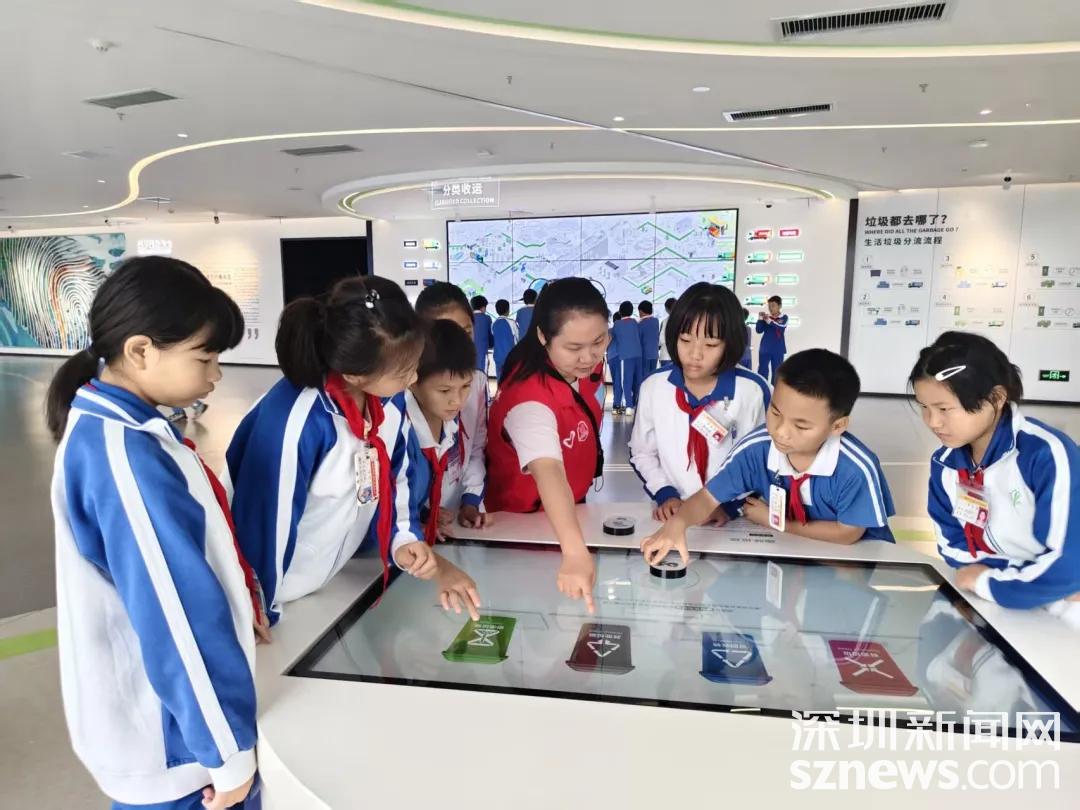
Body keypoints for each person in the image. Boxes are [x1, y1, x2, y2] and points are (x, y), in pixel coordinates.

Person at [46, 257, 261, 810]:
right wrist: (228, 755)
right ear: (141, 351)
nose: (216, 375)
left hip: (178, 730)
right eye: (205, 358)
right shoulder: (124, 457)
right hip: (178, 747)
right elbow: (174, 613)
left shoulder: (128, 432)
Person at [226, 277, 476, 625]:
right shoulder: (299, 419)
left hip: (324, 588)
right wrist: (256, 607)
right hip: (270, 599)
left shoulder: (389, 404)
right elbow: (264, 524)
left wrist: (404, 539)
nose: (412, 379)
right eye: (403, 372)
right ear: (356, 375)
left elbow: (398, 478)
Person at [641, 349, 895, 566]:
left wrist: (777, 522)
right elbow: (707, 498)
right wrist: (678, 523)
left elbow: (848, 534)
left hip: (853, 562)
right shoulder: (757, 449)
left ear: (837, 426)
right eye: (775, 412)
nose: (780, 431)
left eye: (801, 426)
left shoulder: (854, 468)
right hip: (790, 555)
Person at [909, 331, 1079, 616]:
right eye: (924, 407)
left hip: (1062, 607)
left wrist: (988, 580)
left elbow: (1068, 562)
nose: (933, 422)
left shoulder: (1046, 455)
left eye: (944, 408)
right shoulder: (945, 463)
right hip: (995, 595)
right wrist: (1002, 580)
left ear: (996, 398)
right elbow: (952, 546)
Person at [486, 278, 609, 611]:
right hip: (525, 530)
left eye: (599, 341)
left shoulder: (583, 370)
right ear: (543, 336)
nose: (589, 357)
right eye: (574, 347)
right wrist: (574, 552)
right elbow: (548, 470)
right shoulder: (528, 398)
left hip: (572, 514)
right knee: (533, 613)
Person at [629, 283, 771, 521]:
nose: (695, 355)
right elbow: (642, 451)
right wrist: (665, 494)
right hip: (672, 513)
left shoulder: (753, 391)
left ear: (731, 343)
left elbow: (763, 461)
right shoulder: (654, 387)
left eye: (711, 345)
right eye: (685, 340)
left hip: (733, 518)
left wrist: (729, 506)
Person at [405, 319, 488, 619]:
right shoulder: (398, 432)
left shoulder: (448, 424)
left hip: (419, 554)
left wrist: (427, 515)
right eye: (444, 390)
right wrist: (418, 519)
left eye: (465, 387)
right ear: (412, 379)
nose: (457, 400)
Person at [414, 282, 490, 529]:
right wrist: (419, 513)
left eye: (466, 331)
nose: (458, 344)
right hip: (413, 521)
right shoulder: (408, 391)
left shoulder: (476, 383)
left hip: (455, 516)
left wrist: (471, 499)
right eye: (445, 333)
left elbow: (476, 447)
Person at [610, 301, 642, 412]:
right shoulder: (635, 322)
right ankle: (631, 404)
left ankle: (624, 405)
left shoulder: (617, 324)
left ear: (620, 311)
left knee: (624, 381)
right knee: (634, 380)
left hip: (624, 356)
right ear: (632, 311)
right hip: (637, 355)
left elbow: (611, 337)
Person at [756, 295, 788, 384]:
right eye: (769, 306)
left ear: (780, 306)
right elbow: (758, 330)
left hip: (778, 349)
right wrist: (760, 318)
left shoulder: (784, 317)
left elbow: (780, 327)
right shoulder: (767, 317)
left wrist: (769, 321)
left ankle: (775, 391)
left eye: (773, 305)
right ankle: (762, 389)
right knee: (762, 370)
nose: (770, 308)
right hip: (764, 348)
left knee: (777, 372)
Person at [491, 298, 519, 379]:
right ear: (508, 310)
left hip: (498, 357)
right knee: (511, 379)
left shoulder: (494, 324)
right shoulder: (511, 322)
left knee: (500, 379)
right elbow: (518, 337)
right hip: (510, 356)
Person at [471, 295, 493, 374]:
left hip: (469, 353)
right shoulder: (487, 318)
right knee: (482, 376)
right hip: (482, 353)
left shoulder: (468, 318)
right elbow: (490, 336)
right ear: (483, 307)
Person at [638, 300, 661, 374]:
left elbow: (638, 340)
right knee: (652, 376)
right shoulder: (656, 321)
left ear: (641, 311)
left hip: (644, 354)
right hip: (654, 354)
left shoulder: (640, 324)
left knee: (645, 377)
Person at [608, 312, 624, 415]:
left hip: (610, 357)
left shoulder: (609, 331)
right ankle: (617, 404)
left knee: (615, 381)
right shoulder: (622, 331)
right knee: (619, 381)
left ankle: (617, 402)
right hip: (619, 358)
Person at [657, 297, 676, 368]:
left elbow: (661, 340)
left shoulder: (665, 322)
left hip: (666, 356)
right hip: (679, 357)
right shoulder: (684, 321)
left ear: (666, 309)